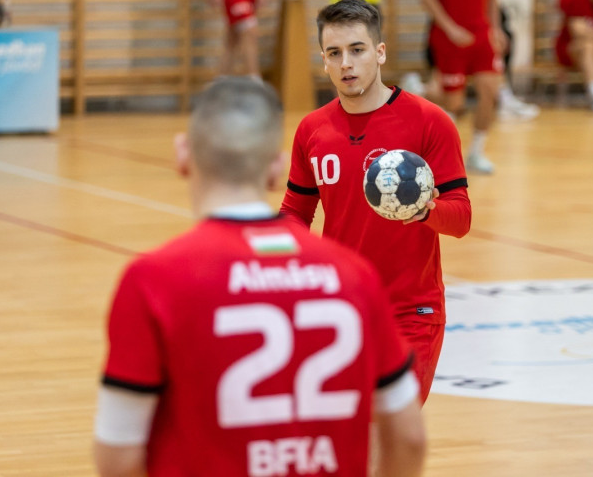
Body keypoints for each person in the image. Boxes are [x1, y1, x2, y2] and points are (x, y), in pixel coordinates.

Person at [93, 78, 426, 477]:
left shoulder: (152, 280)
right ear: (276, 168)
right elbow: (409, 438)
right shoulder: (353, 276)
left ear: (183, 155)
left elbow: (118, 455)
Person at [280, 0, 471, 404]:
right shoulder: (313, 130)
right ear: (324, 61)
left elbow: (461, 218)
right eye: (335, 53)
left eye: (357, 49)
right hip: (341, 310)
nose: (346, 63)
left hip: (411, 313)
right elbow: (295, 213)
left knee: (387, 441)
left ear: (380, 52)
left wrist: (426, 211)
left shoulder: (429, 121)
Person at [422, 0, 505, 174]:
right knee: (453, 105)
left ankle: (476, 153)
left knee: (489, 91)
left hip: (481, 37)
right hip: (450, 40)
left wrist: (496, 28)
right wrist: (450, 28)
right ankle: (421, 95)